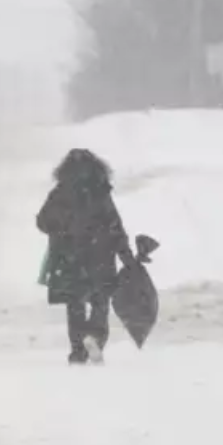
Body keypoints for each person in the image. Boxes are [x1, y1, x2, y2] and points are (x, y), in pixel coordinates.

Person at [36, 148, 136, 365]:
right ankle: (96, 337)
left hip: (70, 257)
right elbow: (114, 226)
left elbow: (43, 222)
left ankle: (78, 350)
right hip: (101, 255)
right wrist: (126, 255)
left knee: (75, 306)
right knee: (100, 302)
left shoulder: (60, 193)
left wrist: (60, 229)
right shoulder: (101, 192)